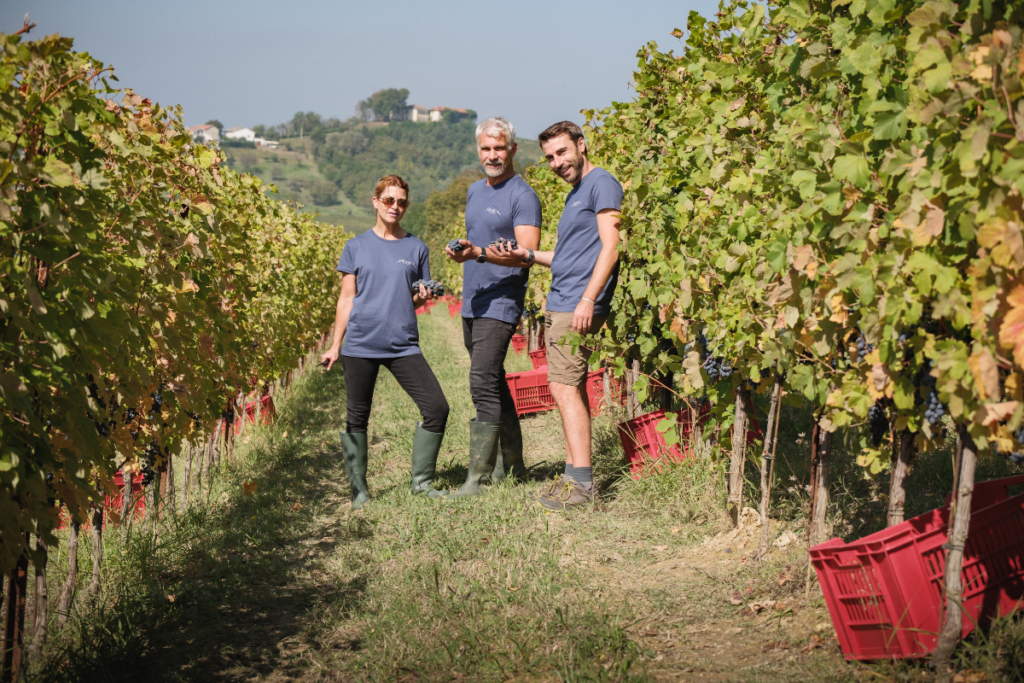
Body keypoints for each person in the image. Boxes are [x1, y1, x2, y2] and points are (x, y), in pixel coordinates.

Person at [495, 121, 622, 511]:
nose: (556, 162)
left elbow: (612, 245)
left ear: (581, 145)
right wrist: (528, 256)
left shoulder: (601, 183)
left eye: (562, 152)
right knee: (567, 388)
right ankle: (572, 477)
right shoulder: (576, 193)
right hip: (563, 302)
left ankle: (583, 485)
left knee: (566, 389)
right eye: (550, 157)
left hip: (576, 306)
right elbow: (568, 257)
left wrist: (588, 298)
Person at [321, 175, 449, 509]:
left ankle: (421, 482)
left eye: (402, 202)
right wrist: (336, 346)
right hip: (361, 343)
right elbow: (346, 300)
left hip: (402, 343)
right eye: (389, 200)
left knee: (436, 407)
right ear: (376, 201)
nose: (396, 207)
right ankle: (359, 490)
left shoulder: (417, 248)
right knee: (356, 417)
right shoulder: (356, 246)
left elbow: (412, 299)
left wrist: (421, 298)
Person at [444, 117, 542, 497]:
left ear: (513, 149)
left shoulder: (523, 196)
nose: (492, 155)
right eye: (486, 149)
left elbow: (525, 255)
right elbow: (477, 242)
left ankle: (479, 477)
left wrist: (480, 254)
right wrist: (464, 251)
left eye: (499, 148)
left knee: (481, 380)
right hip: (473, 297)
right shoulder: (474, 191)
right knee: (495, 380)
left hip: (502, 300)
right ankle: (511, 464)